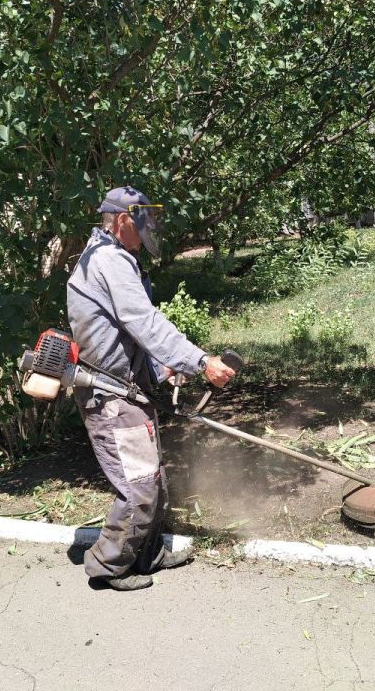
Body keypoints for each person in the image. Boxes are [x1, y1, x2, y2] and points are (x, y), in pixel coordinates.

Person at [66, 186, 236, 591]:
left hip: (127, 390)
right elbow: (143, 321)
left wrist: (164, 368)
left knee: (152, 477)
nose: (149, 230)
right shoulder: (108, 260)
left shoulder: (114, 256)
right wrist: (198, 361)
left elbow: (128, 332)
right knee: (138, 486)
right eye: (144, 222)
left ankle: (146, 554)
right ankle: (108, 567)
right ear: (123, 219)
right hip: (109, 395)